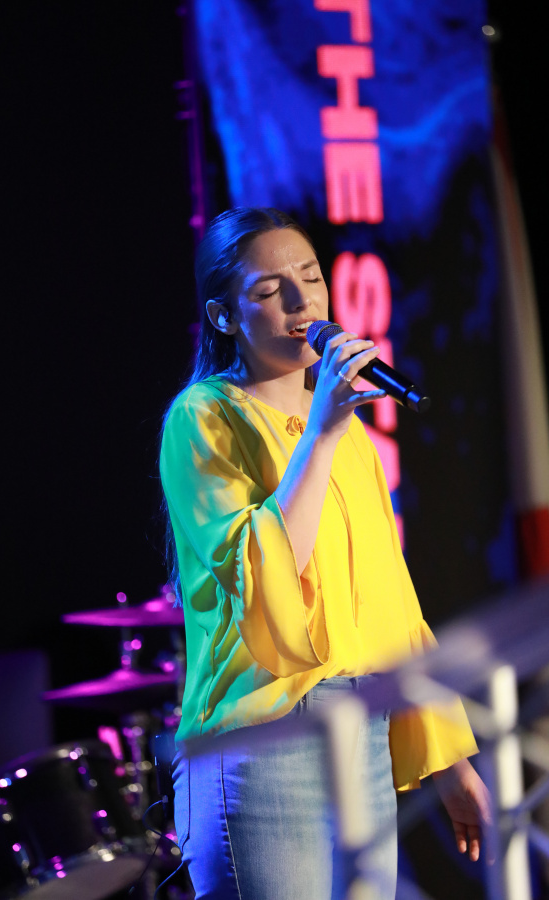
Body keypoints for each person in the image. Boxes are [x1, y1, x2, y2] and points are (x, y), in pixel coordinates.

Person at [159, 207, 491, 900]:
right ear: (224, 317)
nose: (302, 300)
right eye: (268, 289)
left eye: (310, 277)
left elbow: (390, 603)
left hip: (360, 727)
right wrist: (321, 432)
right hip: (265, 739)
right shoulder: (205, 417)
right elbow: (265, 576)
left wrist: (449, 758)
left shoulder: (347, 433)